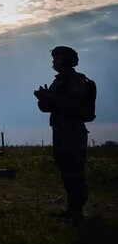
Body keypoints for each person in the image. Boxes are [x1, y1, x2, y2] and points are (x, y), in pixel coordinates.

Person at [34, 46, 89, 223]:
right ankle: (72, 210)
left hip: (73, 132)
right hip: (60, 132)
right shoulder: (58, 81)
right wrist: (43, 99)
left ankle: (77, 212)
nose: (53, 62)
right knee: (66, 171)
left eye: (57, 59)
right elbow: (47, 108)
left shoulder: (76, 80)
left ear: (66, 60)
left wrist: (49, 98)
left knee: (74, 172)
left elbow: (73, 104)